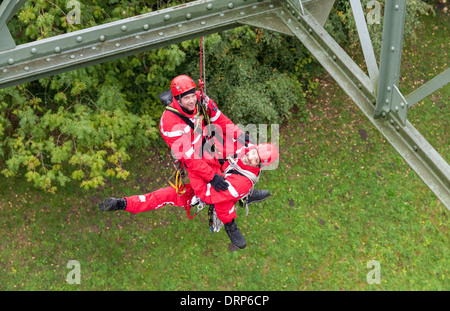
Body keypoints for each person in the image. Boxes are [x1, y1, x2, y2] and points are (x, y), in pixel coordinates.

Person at [99, 143, 279, 249]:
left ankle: (231, 224)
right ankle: (122, 204)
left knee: (224, 204)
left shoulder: (242, 182)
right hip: (217, 177)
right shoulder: (245, 150)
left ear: (259, 165)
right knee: (161, 196)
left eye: (254, 159)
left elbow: (208, 195)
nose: (249, 156)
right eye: (253, 152)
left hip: (209, 191)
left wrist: (192, 167)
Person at [160, 75, 270, 205]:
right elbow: (190, 158)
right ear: (177, 100)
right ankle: (241, 197)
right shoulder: (169, 124)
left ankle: (245, 192)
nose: (191, 101)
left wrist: (240, 135)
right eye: (186, 98)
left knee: (245, 150)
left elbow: (220, 120)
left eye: (192, 96)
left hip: (207, 139)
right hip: (194, 155)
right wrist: (211, 177)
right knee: (220, 185)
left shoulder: (201, 100)